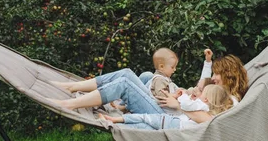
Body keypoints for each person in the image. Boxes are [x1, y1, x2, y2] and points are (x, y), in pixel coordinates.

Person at [48, 48, 178, 114]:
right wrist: (187, 92)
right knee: (145, 75)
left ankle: (70, 104)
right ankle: (73, 86)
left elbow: (195, 113)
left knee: (124, 83)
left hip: (163, 112)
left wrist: (178, 103)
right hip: (169, 102)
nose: (175, 70)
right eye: (173, 67)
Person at [101, 84, 233, 130]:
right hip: (174, 123)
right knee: (145, 121)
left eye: (201, 94)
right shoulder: (208, 112)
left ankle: (115, 121)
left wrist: (181, 98)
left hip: (173, 124)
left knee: (146, 119)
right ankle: (115, 121)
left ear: (207, 99)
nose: (197, 96)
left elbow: (187, 104)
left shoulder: (202, 107)